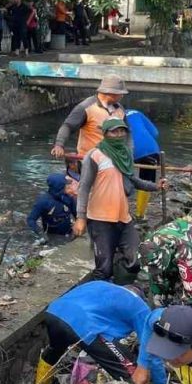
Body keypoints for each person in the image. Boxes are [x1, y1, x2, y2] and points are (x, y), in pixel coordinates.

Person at [34, 281, 166, 384]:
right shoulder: (139, 306)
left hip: (54, 312)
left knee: (54, 351)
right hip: (84, 325)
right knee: (130, 369)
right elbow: (150, 346)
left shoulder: (101, 285)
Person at [73, 119, 165, 281]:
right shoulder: (94, 156)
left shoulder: (125, 154)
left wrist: (156, 186)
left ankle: (122, 287)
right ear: (106, 133)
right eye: (114, 131)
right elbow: (84, 187)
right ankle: (99, 297)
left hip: (123, 217)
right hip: (100, 219)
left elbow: (133, 180)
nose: (119, 135)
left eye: (122, 131)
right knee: (104, 269)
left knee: (135, 260)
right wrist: (81, 218)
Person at [51, 74, 128, 158]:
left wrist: (128, 154)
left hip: (114, 160)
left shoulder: (120, 109)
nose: (122, 96)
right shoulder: (85, 107)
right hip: (90, 160)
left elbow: (127, 134)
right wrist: (59, 145)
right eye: (120, 93)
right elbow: (68, 126)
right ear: (110, 93)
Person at [126, 108, 160, 220]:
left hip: (127, 150)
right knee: (147, 180)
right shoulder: (137, 113)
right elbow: (155, 132)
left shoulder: (112, 116)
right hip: (150, 150)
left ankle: (119, 211)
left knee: (120, 178)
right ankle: (140, 214)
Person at [26, 174, 76, 240]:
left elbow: (76, 214)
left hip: (68, 232)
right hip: (52, 235)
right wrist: (41, 234)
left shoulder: (68, 198)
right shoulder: (43, 202)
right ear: (59, 187)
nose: (68, 187)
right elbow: (30, 219)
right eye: (66, 185)